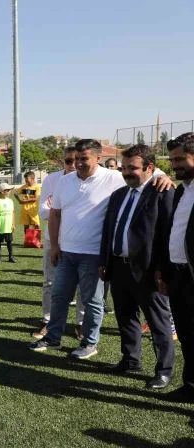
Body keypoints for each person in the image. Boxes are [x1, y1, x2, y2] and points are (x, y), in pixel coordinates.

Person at [30, 139, 172, 358]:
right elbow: (55, 213)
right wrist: (55, 245)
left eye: (84, 159)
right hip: (66, 252)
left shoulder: (114, 177)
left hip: (94, 254)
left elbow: (147, 170)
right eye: (76, 159)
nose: (78, 163)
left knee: (93, 302)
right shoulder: (64, 181)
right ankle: (53, 337)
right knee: (59, 296)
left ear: (98, 158)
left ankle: (89, 343)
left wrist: (163, 176)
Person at [98, 144, 175, 389]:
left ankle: (164, 370)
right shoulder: (118, 195)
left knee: (158, 322)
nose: (126, 172)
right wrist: (104, 261)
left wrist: (163, 270)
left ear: (150, 168)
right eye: (124, 167)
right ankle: (131, 359)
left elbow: (167, 235)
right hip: (119, 267)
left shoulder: (163, 192)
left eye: (133, 168)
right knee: (125, 316)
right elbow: (108, 231)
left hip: (149, 270)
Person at [159, 132, 194, 402]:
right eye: (172, 160)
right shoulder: (182, 189)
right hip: (179, 274)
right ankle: (191, 386)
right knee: (187, 334)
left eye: (181, 158)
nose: (175, 164)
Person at [34, 148, 81, 338]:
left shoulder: (95, 179)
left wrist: (162, 177)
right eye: (68, 161)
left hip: (80, 241)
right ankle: (48, 320)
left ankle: (80, 323)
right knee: (50, 283)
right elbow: (44, 212)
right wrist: (64, 211)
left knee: (83, 287)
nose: (73, 165)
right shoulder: (52, 180)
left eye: (77, 160)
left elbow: (142, 169)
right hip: (53, 239)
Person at [0, 182, 16, 263]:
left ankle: (11, 256)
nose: (9, 192)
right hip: (0, 226)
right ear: (2, 192)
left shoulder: (10, 201)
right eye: (8, 190)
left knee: (9, 241)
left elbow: (12, 213)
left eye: (9, 190)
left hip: (8, 226)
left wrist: (13, 224)